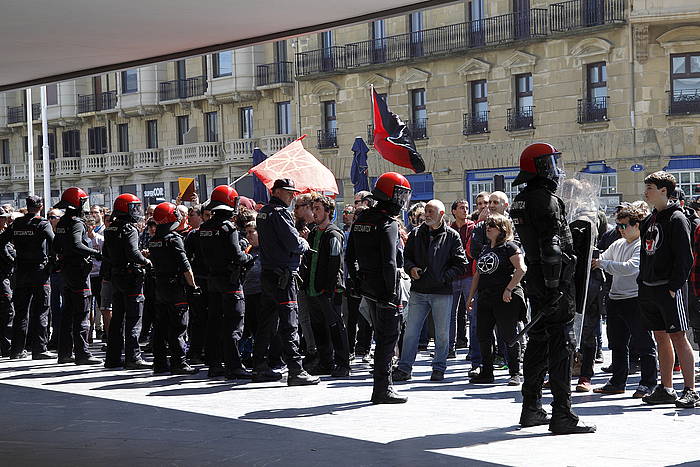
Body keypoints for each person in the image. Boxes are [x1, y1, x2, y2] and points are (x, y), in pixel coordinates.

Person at [509, 142, 596, 434]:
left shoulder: (521, 199)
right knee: (561, 346)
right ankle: (562, 413)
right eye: (552, 163)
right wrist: (555, 287)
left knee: (538, 342)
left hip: (537, 279)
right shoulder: (545, 200)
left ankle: (531, 406)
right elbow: (552, 248)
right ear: (544, 167)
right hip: (554, 282)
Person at [346, 172, 412, 403]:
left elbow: (349, 255)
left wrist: (355, 281)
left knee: (379, 336)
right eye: (400, 194)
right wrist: (391, 293)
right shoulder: (388, 223)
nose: (402, 200)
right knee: (387, 339)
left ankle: (381, 387)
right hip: (385, 288)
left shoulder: (362, 220)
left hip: (366, 286)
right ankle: (383, 389)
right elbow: (390, 261)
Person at [638, 171, 696, 407]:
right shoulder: (650, 219)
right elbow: (645, 253)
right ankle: (666, 387)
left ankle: (690, 389)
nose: (646, 192)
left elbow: (685, 258)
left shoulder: (677, 219)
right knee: (660, 336)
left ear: (664, 191)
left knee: (679, 337)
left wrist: (674, 287)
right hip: (649, 288)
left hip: (669, 289)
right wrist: (642, 281)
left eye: (650, 187)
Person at [253, 178, 319, 386]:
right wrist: (304, 242)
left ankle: (259, 366)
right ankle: (295, 370)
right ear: (278, 192)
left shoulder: (264, 212)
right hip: (283, 276)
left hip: (269, 274)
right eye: (289, 192)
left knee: (266, 323)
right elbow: (292, 242)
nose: (292, 196)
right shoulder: (280, 213)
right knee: (289, 323)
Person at [393, 199, 467, 382]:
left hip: (441, 292)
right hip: (419, 291)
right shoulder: (416, 234)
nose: (426, 215)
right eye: (426, 211)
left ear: (441, 215)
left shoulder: (452, 236)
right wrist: (411, 269)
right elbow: (407, 257)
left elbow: (461, 264)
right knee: (411, 331)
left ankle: (439, 367)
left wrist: (443, 277)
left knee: (442, 334)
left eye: (431, 212)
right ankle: (404, 368)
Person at [591, 205, 657, 398]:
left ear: (637, 225)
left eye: (624, 225)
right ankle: (618, 381)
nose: (620, 229)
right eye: (618, 225)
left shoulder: (641, 244)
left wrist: (603, 264)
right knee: (617, 344)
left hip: (635, 299)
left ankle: (648, 383)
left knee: (644, 343)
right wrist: (600, 260)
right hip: (615, 298)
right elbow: (603, 257)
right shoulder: (618, 244)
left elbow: (631, 268)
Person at [198, 185, 253, 380]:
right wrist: (250, 257)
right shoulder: (227, 227)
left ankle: (215, 364)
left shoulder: (204, 228)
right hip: (230, 282)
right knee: (233, 324)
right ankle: (234, 366)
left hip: (213, 281)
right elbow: (237, 256)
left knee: (214, 324)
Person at [467, 213, 526, 386]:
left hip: (504, 298)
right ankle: (487, 372)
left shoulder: (510, 246)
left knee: (508, 335)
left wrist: (509, 289)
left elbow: (521, 269)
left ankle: (515, 372)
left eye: (492, 225)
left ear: (502, 229)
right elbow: (477, 274)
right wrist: (470, 297)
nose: (488, 227)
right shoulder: (485, 248)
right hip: (485, 297)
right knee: (483, 335)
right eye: (487, 224)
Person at [301, 195, 350, 377]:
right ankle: (325, 362)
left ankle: (343, 363)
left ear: (328, 212)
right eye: (313, 208)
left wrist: (328, 289)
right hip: (312, 289)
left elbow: (335, 263)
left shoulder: (334, 233)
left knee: (335, 327)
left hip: (328, 291)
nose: (314, 212)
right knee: (319, 328)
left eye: (318, 209)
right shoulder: (313, 233)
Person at [148, 202, 200, 375]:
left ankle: (160, 362)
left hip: (160, 287)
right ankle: (179, 362)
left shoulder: (153, 240)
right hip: (176, 288)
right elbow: (185, 266)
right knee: (179, 326)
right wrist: (193, 285)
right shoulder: (174, 238)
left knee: (161, 326)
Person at [0, 196, 54, 360]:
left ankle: (16, 350)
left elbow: (1, 240)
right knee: (41, 310)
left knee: (21, 312)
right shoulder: (43, 223)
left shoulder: (17, 223)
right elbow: (55, 243)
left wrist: (15, 259)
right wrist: (52, 263)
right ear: (41, 207)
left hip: (22, 272)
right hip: (39, 271)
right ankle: (39, 349)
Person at [53, 188, 102, 365]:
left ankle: (65, 353)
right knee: (81, 314)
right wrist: (96, 253)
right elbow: (76, 244)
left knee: (67, 314)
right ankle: (83, 354)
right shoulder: (77, 223)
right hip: (79, 273)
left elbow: (56, 246)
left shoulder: (62, 223)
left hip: (67, 272)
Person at [102, 193, 151, 369]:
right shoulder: (130, 229)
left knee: (117, 320)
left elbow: (106, 255)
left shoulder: (110, 229)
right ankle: (133, 357)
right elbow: (133, 252)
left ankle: (113, 357)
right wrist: (147, 261)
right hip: (131, 277)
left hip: (116, 276)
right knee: (133, 318)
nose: (137, 211)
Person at [183, 204, 208, 364]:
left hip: (211, 280)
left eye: (192, 215)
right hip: (199, 281)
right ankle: (197, 351)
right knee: (198, 318)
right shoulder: (193, 235)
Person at [449, 199, 475, 354]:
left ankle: (473, 349)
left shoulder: (473, 227)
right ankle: (450, 348)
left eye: (466, 208)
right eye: (461, 208)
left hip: (469, 276)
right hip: (453, 276)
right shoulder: (449, 229)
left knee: (472, 314)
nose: (465, 210)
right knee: (450, 315)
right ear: (453, 211)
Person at [0, 207, 15, 356]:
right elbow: (7, 256)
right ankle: (6, 346)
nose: (6, 220)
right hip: (2, 279)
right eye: (3, 218)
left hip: (5, 277)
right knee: (7, 312)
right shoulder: (2, 238)